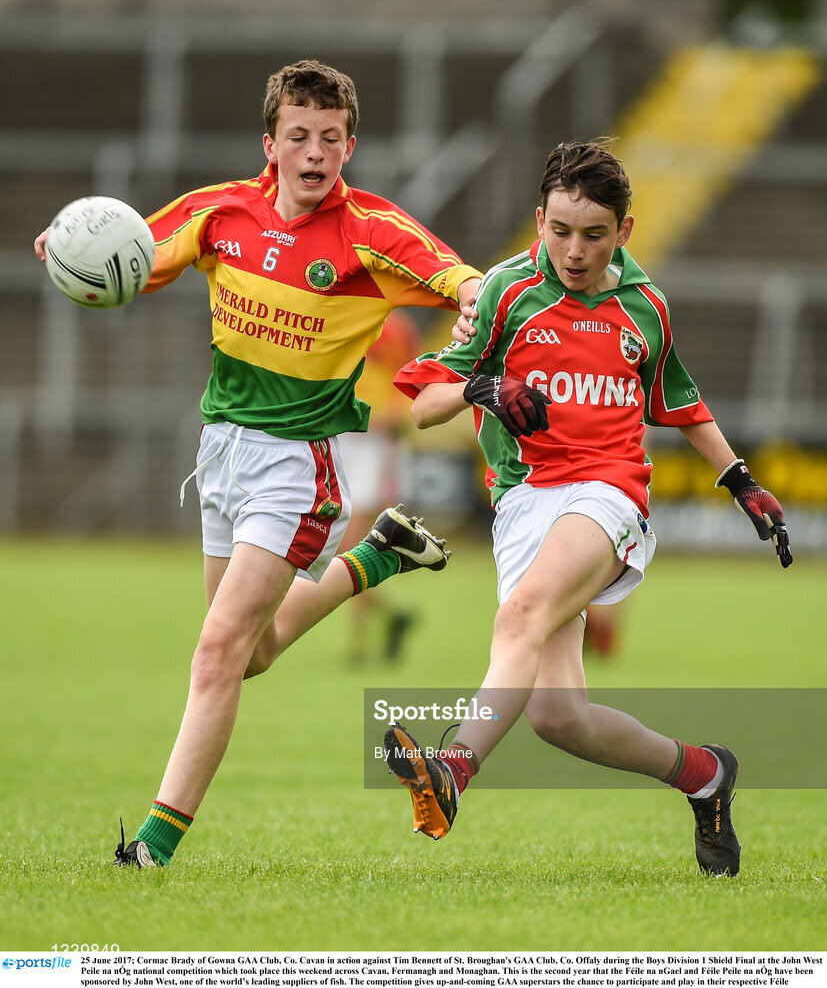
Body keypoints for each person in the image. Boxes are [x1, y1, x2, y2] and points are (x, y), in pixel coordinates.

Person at [35, 59, 481, 868]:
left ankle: (153, 848)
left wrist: (475, 301)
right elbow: (132, 252)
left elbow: (460, 279)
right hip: (220, 454)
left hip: (296, 471)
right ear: (268, 141)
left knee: (215, 654)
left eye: (332, 139)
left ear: (350, 146)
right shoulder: (219, 213)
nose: (315, 153)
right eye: (300, 136)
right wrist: (72, 248)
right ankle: (377, 554)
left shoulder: (372, 232)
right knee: (253, 653)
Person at [383, 140, 793, 878]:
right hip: (522, 504)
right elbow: (424, 406)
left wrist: (739, 480)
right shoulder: (504, 292)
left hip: (607, 494)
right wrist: (482, 389)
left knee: (521, 616)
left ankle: (452, 770)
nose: (574, 250)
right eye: (560, 231)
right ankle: (704, 773)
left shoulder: (645, 308)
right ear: (538, 219)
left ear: (624, 231)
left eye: (594, 234)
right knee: (556, 717)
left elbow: (680, 403)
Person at [337, 309, 424, 664]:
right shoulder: (339, 314)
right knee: (341, 546)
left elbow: (410, 382)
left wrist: (392, 419)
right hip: (341, 437)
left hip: (375, 442)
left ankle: (359, 643)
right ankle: (390, 617)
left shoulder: (397, 328)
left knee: (352, 542)